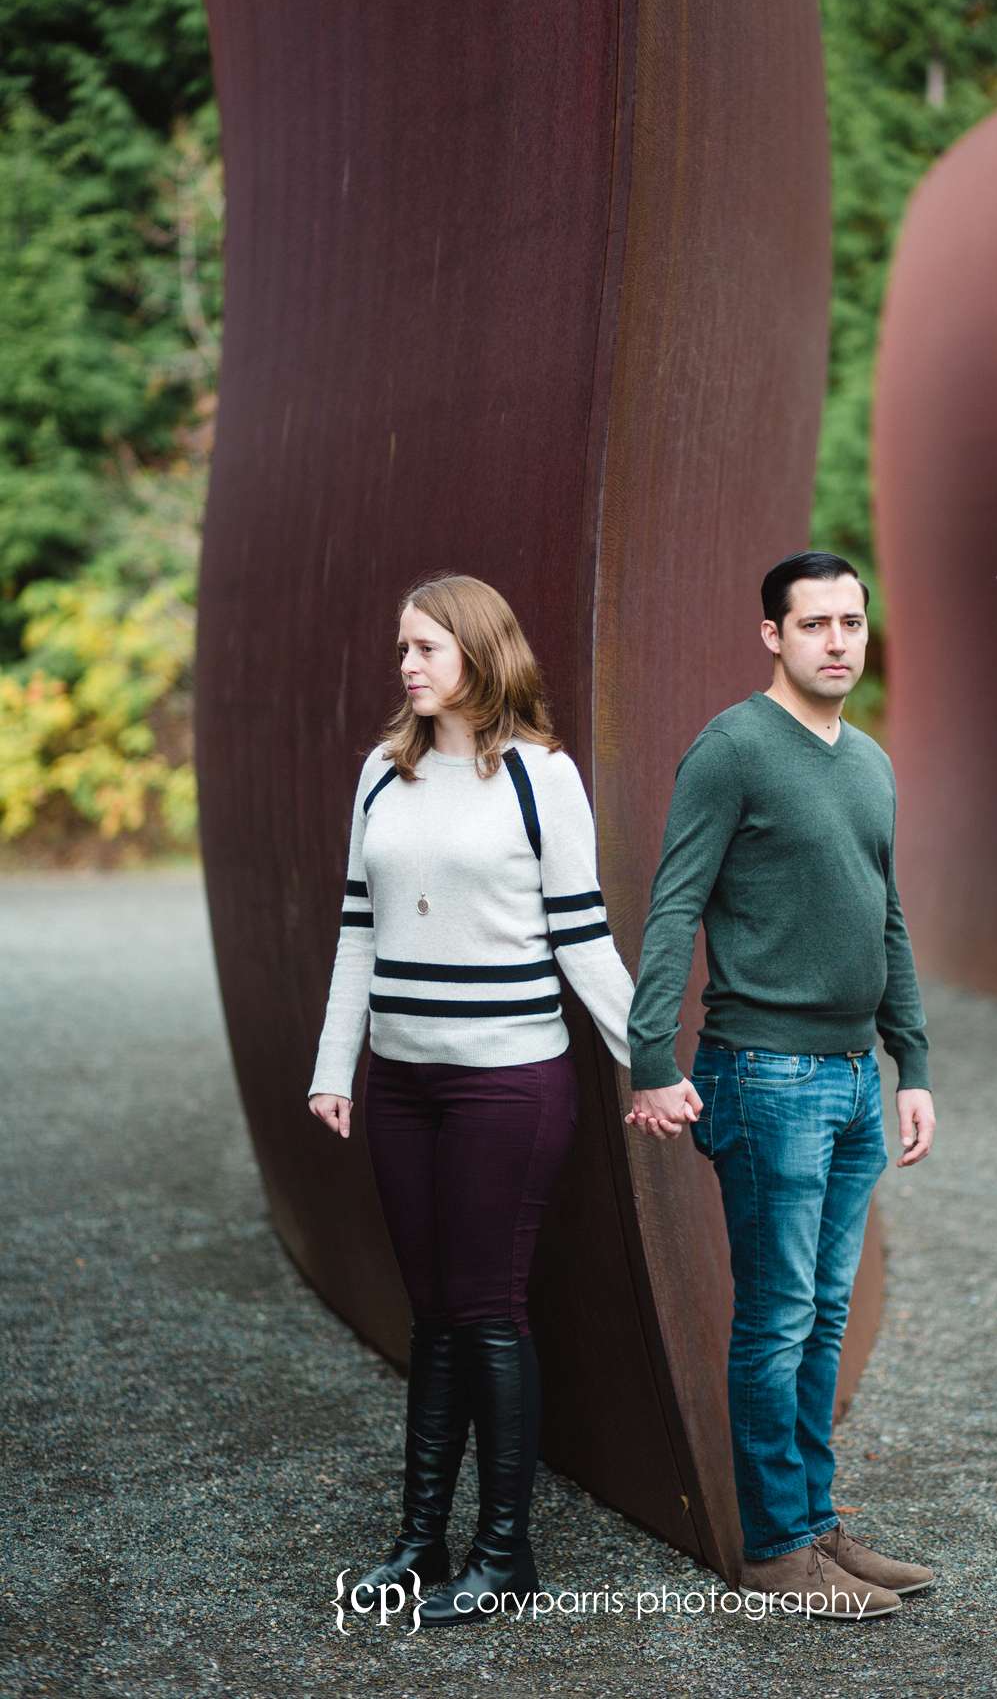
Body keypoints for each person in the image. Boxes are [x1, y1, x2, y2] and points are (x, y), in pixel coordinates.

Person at [307, 571, 635, 1627]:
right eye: (402, 648)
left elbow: (583, 936)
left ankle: (506, 1559)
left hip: (510, 1082)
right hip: (402, 1084)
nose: (407, 665)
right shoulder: (380, 774)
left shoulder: (542, 776)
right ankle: (418, 1546)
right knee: (436, 1318)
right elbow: (358, 930)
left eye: (426, 648)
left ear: (481, 655)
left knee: (489, 1314)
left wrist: (657, 1064)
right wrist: (332, 1067)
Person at [625, 550, 937, 1621]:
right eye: (815, 624)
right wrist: (650, 1055)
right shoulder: (733, 750)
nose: (839, 641)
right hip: (765, 1077)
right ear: (774, 635)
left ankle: (817, 1526)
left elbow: (886, 918)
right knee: (777, 1317)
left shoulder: (871, 763)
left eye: (852, 621)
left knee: (825, 1312)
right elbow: (673, 908)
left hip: (853, 1081)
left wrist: (913, 1063)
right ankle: (773, 1550)